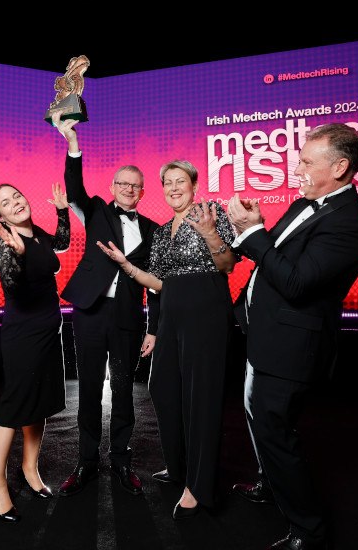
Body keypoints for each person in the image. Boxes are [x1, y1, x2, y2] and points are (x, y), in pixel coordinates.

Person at [227, 123, 358, 550]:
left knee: (275, 431)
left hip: (292, 348)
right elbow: (271, 258)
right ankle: (269, 484)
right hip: (264, 334)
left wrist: (254, 234)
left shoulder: (351, 224)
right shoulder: (303, 203)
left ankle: (308, 529)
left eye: (307, 162)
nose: (298, 168)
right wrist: (249, 232)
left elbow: (295, 284)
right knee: (258, 417)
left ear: (341, 167)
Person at [96, 159, 237, 520]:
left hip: (206, 312)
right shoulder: (160, 232)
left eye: (181, 181)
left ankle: (199, 486)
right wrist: (127, 268)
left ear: (193, 184)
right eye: (168, 182)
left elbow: (227, 264)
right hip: (172, 314)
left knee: (200, 398)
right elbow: (159, 283)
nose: (174, 187)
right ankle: (177, 469)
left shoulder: (212, 213)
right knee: (163, 388)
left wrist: (208, 232)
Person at [52, 110, 160, 497]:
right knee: (90, 386)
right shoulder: (96, 209)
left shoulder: (153, 230)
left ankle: (121, 460)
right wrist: (73, 145)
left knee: (124, 388)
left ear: (143, 192)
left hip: (128, 315)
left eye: (136, 186)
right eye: (123, 184)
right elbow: (74, 186)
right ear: (113, 186)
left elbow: (159, 284)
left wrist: (155, 326)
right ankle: (85, 461)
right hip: (91, 310)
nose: (129, 189)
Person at [0, 182, 71, 522]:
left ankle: (30, 470)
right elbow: (13, 286)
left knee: (40, 402)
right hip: (24, 334)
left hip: (50, 329)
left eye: (17, 195)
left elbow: (60, 245)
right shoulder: (7, 245)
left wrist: (62, 211)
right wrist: (17, 256)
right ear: (0, 215)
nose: (16, 202)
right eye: (6, 202)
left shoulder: (38, 235)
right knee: (14, 406)